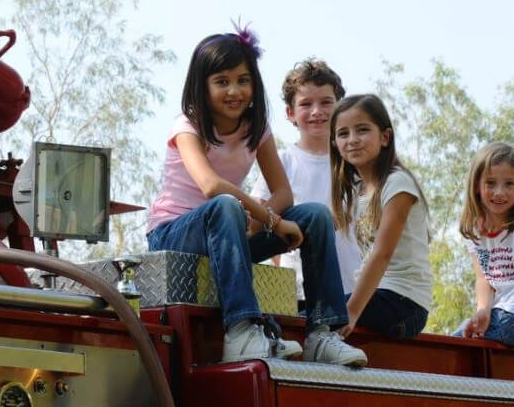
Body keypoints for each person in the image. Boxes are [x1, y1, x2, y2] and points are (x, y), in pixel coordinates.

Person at [146, 28, 367, 366]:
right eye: (222, 81)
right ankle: (242, 330)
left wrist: (255, 221)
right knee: (224, 206)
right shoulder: (187, 126)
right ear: (202, 87)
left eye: (243, 80)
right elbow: (211, 186)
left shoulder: (256, 128)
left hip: (227, 229)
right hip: (174, 235)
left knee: (315, 216)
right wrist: (270, 221)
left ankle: (322, 332)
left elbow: (283, 193)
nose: (234, 90)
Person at [252, 59, 361, 300]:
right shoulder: (281, 163)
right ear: (290, 113)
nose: (317, 111)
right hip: (299, 292)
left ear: (340, 107)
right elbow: (261, 218)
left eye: (326, 102)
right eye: (306, 104)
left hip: (353, 288)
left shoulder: (355, 162)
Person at [330, 94, 432, 341]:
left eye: (362, 130)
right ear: (334, 143)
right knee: (307, 308)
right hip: (380, 296)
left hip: (405, 304)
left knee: (325, 313)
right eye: (343, 134)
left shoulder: (397, 184)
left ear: (385, 137)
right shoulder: (357, 192)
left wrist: (352, 311)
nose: (352, 140)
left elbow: (382, 254)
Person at [453, 142, 514, 382]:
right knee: (460, 335)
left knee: (472, 340)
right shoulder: (476, 232)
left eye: (509, 184)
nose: (499, 192)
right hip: (498, 310)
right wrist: (483, 310)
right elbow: (484, 278)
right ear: (477, 185)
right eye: (491, 183)